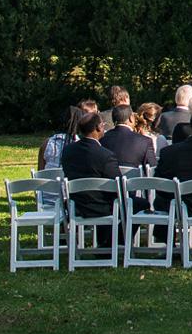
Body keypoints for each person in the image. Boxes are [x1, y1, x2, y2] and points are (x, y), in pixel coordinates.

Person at [59, 111, 121, 244]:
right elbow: (119, 185)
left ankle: (106, 243)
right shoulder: (106, 155)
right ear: (99, 127)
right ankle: (111, 243)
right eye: (103, 125)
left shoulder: (68, 151)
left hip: (76, 205)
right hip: (102, 206)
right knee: (137, 203)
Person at [101, 104, 156, 169]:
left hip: (109, 178)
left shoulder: (102, 139)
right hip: (135, 178)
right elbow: (153, 168)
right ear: (131, 118)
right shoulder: (145, 141)